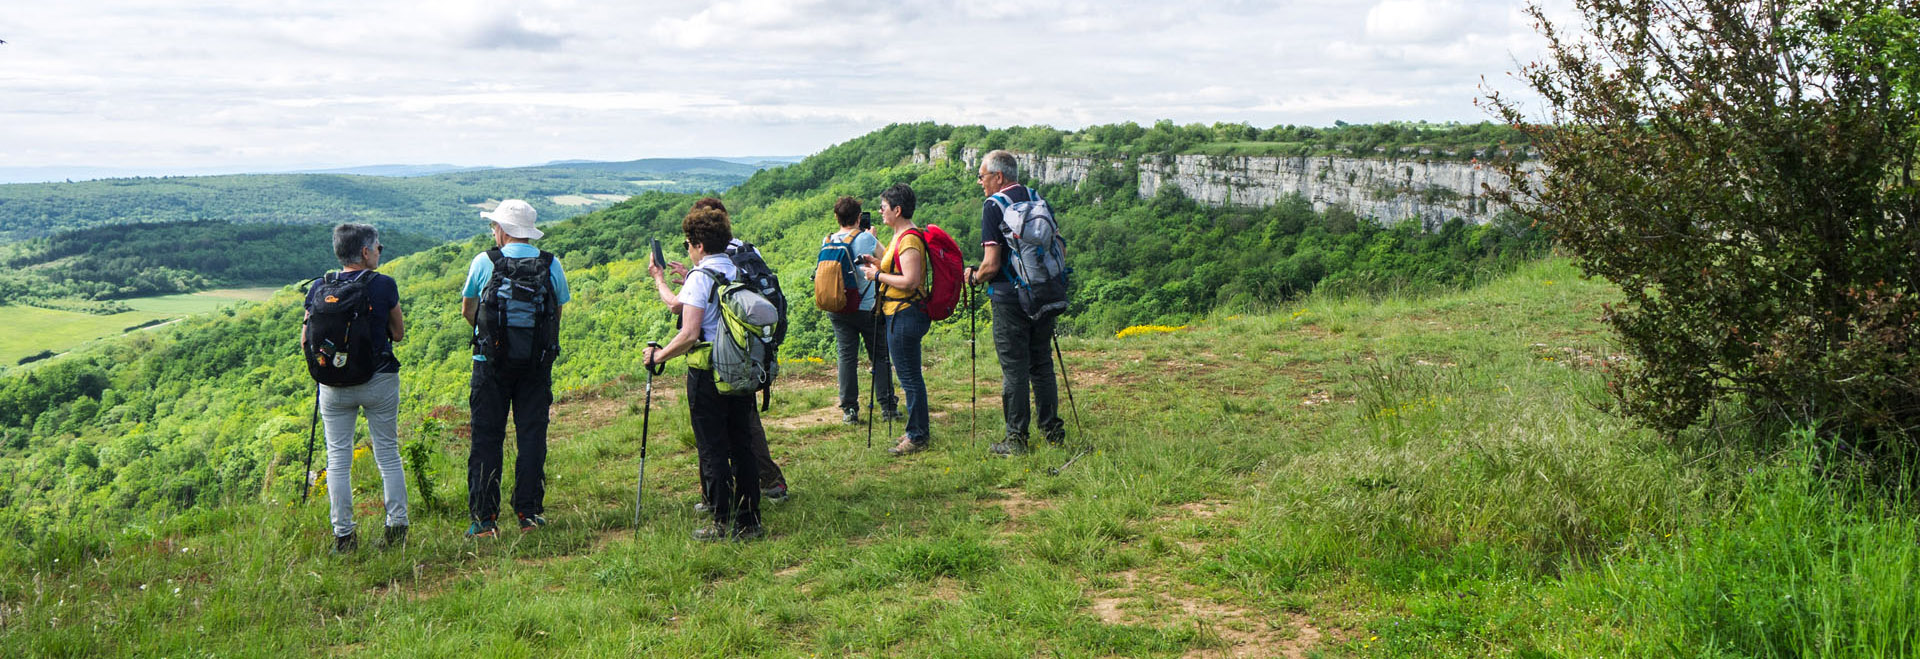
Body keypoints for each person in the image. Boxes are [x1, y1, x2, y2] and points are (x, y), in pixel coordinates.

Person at [643, 206, 764, 541]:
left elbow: (690, 333)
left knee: (712, 448)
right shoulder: (738, 269)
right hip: (739, 369)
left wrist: (659, 355)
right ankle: (750, 521)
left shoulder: (701, 277)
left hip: (708, 373)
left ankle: (720, 521)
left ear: (697, 244)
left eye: (688, 244)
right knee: (742, 445)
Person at [662, 197, 791, 504]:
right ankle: (755, 500)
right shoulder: (745, 252)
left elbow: (686, 322)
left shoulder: (709, 268)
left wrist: (671, 280)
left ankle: (717, 501)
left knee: (712, 438)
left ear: (700, 240)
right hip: (750, 350)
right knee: (743, 429)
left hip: (715, 358)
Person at [461, 199, 570, 538]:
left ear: (504, 230)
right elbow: (556, 315)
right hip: (535, 366)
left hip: (489, 364)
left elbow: (469, 311)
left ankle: (484, 521)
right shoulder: (551, 264)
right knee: (532, 437)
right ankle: (529, 513)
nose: (493, 231)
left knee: (486, 439)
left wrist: (493, 340)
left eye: (495, 226)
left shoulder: (485, 262)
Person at [307, 223, 408, 553]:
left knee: (338, 461)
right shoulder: (384, 285)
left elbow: (306, 339)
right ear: (365, 252)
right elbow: (398, 333)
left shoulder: (321, 286)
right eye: (378, 247)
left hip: (333, 385)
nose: (380, 251)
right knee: (387, 454)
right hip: (378, 378)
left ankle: (344, 537)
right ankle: (396, 529)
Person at [966, 150, 1065, 457]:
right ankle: (1052, 431)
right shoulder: (1037, 199)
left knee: (1014, 369)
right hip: (1043, 292)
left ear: (998, 176)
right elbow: (1058, 245)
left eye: (982, 176)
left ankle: (1016, 440)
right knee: (1042, 364)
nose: (981, 182)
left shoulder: (993, 206)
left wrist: (973, 277)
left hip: (1009, 298)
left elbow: (991, 265)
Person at [860, 183, 931, 456]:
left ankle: (917, 436)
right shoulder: (900, 235)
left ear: (897, 210)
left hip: (905, 313)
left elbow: (911, 281)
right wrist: (877, 264)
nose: (880, 212)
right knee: (908, 375)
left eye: (884, 207)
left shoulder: (909, 239)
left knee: (910, 377)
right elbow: (899, 270)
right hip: (898, 312)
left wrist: (876, 276)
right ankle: (915, 429)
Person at [824, 196, 899, 426]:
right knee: (879, 354)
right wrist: (872, 238)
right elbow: (889, 259)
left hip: (838, 307)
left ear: (837, 217)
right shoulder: (866, 237)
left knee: (846, 356)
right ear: (859, 217)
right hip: (867, 308)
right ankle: (887, 407)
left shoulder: (827, 239)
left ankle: (849, 410)